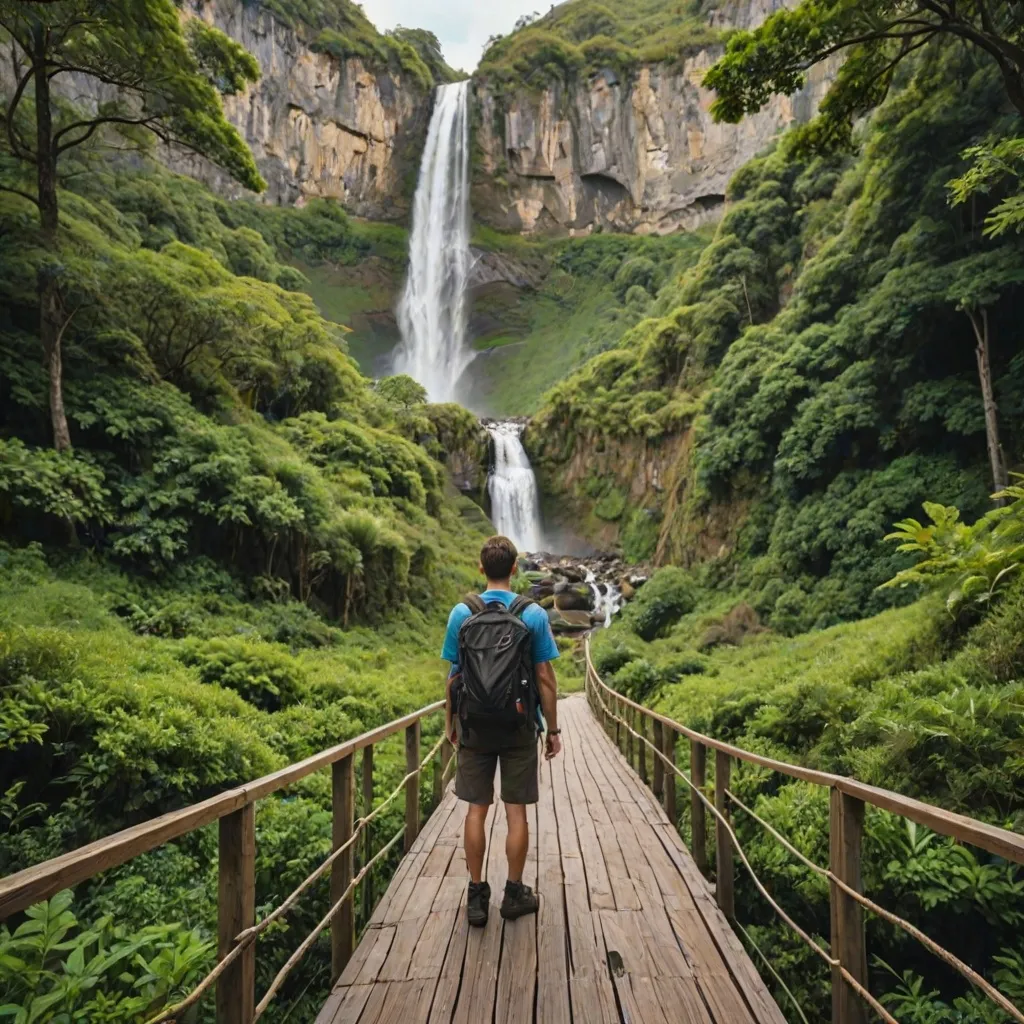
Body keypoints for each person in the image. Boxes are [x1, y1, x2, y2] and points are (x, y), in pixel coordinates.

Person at [442, 535, 562, 927]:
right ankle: (514, 892)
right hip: (518, 726)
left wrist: (451, 723)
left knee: (476, 811)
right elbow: (545, 678)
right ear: (515, 568)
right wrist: (553, 729)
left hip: (474, 726)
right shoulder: (534, 615)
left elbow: (453, 678)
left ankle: (476, 895)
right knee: (516, 813)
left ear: (481, 568)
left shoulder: (462, 613)